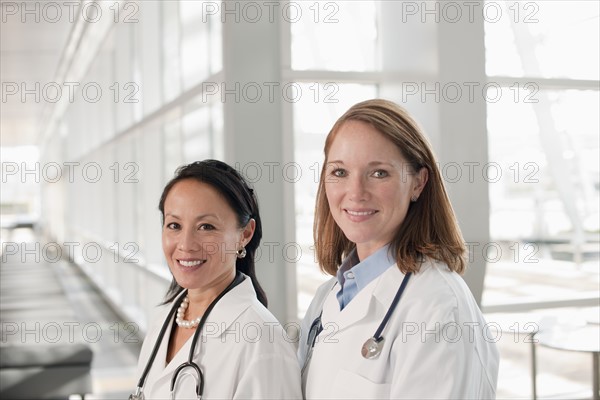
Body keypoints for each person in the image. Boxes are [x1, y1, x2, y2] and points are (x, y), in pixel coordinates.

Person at [298, 99, 499, 399]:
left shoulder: (438, 307)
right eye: (340, 172)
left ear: (418, 183)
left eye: (379, 173)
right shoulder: (327, 298)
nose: (356, 193)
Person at [134, 160, 301, 399]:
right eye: (174, 225)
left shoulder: (263, 343)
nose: (186, 244)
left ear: (245, 234)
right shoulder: (165, 319)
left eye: (206, 227)